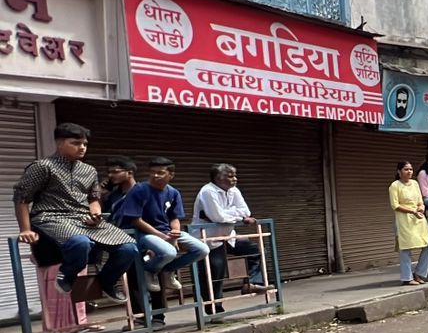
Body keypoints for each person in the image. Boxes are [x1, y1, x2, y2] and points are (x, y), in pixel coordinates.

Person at [13, 123, 140, 304]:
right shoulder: (42, 167)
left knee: (129, 247)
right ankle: (67, 274)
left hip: (83, 220)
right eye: (76, 143)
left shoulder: (89, 170)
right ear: (59, 143)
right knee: (80, 243)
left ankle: (108, 280)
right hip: (51, 217)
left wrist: (95, 214)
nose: (82, 147)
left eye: (85, 144)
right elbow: (21, 198)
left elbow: (94, 198)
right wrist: (25, 229)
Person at [113, 157, 210, 298]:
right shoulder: (139, 190)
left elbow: (174, 217)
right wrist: (163, 237)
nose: (155, 175)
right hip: (142, 233)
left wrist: (175, 233)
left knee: (202, 249)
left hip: (166, 231)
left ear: (171, 175)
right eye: (152, 172)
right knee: (169, 252)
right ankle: (150, 271)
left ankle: (167, 271)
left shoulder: (173, 193)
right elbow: (135, 220)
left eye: (160, 173)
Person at [193, 163, 269, 311]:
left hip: (228, 235)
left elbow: (246, 211)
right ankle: (214, 308)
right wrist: (236, 214)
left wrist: (232, 214)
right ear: (218, 178)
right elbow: (218, 217)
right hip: (208, 239)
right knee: (215, 271)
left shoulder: (234, 191)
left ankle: (253, 283)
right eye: (230, 176)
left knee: (255, 250)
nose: (235, 179)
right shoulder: (208, 192)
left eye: (235, 175)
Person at [390, 161, 428, 285]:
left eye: (410, 169)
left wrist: (421, 208)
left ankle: (419, 273)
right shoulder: (395, 185)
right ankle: (407, 278)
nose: (409, 172)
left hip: (418, 218)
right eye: (406, 169)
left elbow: (421, 201)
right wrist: (412, 210)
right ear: (399, 172)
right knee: (405, 249)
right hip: (403, 220)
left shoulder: (415, 183)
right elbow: (395, 205)